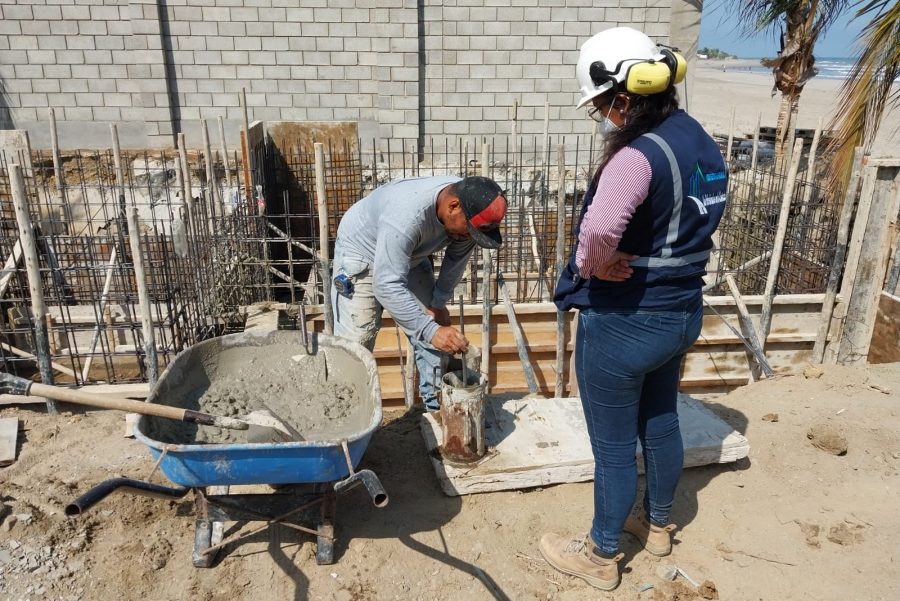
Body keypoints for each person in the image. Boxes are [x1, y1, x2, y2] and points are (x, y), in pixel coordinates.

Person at [541, 27, 728, 591]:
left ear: (623, 94)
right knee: (661, 417)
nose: (600, 114)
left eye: (601, 103)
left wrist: (595, 265)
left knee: (615, 445)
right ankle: (660, 522)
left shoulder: (636, 158)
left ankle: (600, 554)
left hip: (626, 321)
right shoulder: (695, 137)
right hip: (680, 312)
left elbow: (600, 228)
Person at [331, 175, 507, 411]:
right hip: (362, 253)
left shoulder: (469, 209)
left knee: (436, 338)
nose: (469, 238)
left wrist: (438, 303)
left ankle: (437, 413)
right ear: (452, 206)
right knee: (356, 345)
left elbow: (455, 260)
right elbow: (386, 285)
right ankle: (345, 418)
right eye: (469, 232)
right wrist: (429, 329)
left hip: (408, 255)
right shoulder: (406, 216)